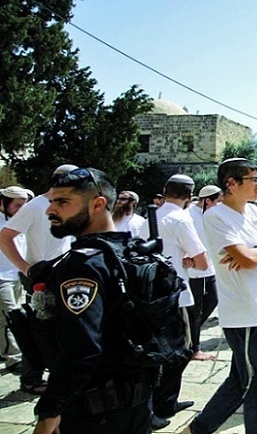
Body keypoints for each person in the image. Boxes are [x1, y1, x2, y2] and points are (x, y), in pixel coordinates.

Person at [33, 167, 154, 433]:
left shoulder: (82, 265)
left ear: (98, 204)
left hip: (95, 410)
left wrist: (50, 411)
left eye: (63, 202)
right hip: (138, 403)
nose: (50, 210)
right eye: (52, 201)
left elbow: (81, 349)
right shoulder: (131, 251)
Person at [186, 158, 257, 434]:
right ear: (232, 184)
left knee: (241, 380)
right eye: (254, 180)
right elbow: (246, 260)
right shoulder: (216, 217)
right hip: (247, 313)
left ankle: (196, 429)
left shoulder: (254, 213)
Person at [0, 163, 77, 395]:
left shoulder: (69, 206)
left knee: (59, 331)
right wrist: (26, 269)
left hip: (64, 275)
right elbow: (5, 237)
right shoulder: (36, 206)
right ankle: (31, 378)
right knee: (37, 330)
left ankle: (57, 377)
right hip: (41, 278)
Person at [140, 174, 207, 426]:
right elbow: (202, 262)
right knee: (181, 351)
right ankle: (160, 405)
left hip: (150, 294)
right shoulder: (180, 219)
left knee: (159, 350)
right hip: (176, 295)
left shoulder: (149, 218)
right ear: (189, 195)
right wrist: (188, 261)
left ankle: (166, 401)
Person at [186, 185, 223, 362]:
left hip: (211, 268)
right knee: (196, 309)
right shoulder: (189, 215)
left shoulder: (213, 215)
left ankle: (189, 334)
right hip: (195, 270)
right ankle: (194, 347)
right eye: (218, 201)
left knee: (213, 300)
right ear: (208, 200)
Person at [0, 186, 28, 372]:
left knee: (14, 316)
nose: (21, 209)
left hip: (18, 276)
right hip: (1, 278)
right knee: (11, 316)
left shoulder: (19, 221)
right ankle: (14, 358)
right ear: (4, 202)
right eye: (17, 205)